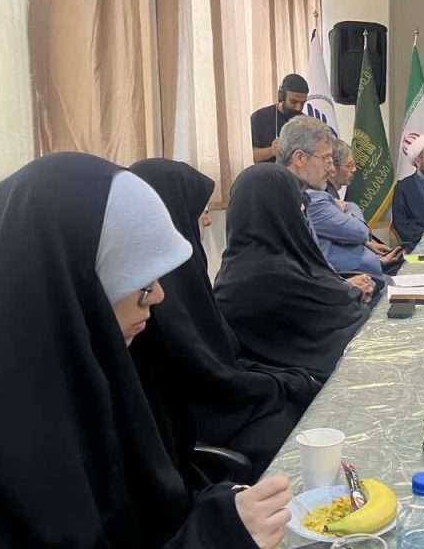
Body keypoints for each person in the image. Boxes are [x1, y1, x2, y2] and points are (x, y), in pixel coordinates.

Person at [0, 153, 291, 548]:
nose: (158, 295)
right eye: (141, 282)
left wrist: (220, 511)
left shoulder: (95, 367)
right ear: (72, 285)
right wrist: (217, 537)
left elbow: (151, 510)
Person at [129, 158, 322, 481]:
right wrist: (281, 383)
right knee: (292, 417)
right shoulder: (153, 296)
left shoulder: (180, 277)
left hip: (217, 400)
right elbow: (204, 374)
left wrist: (283, 380)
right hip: (199, 419)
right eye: (201, 210)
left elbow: (222, 356)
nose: (208, 220)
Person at [214, 162, 370, 383]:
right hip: (306, 388)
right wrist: (351, 293)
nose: (302, 211)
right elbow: (342, 314)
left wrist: (347, 290)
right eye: (296, 204)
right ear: (279, 209)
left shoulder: (239, 264)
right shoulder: (267, 274)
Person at [279, 115, 377, 301]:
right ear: (300, 158)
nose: (331, 169)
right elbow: (295, 278)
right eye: (326, 159)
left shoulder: (301, 198)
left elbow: (317, 266)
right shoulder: (280, 201)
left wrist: (344, 284)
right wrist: (343, 290)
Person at [306, 139, 404, 286]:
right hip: (348, 278)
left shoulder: (332, 195)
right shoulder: (318, 199)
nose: (355, 169)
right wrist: (351, 210)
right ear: (334, 169)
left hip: (363, 270)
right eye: (349, 165)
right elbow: (359, 232)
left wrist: (367, 245)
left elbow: (350, 235)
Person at [251, 73, 309, 163]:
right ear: (282, 97)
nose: (298, 108)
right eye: (293, 102)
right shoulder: (259, 118)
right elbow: (250, 155)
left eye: (302, 103)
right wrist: (271, 151)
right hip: (267, 171)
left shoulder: (306, 123)